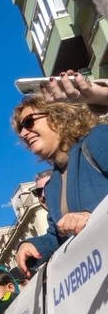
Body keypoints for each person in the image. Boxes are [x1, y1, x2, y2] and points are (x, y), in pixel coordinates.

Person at [13, 96, 108, 275]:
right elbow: (57, 236)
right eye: (20, 129)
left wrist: (93, 216)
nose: (23, 134)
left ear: (57, 114)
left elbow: (88, 218)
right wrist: (30, 246)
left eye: (28, 122)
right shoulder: (52, 187)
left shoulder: (98, 138)